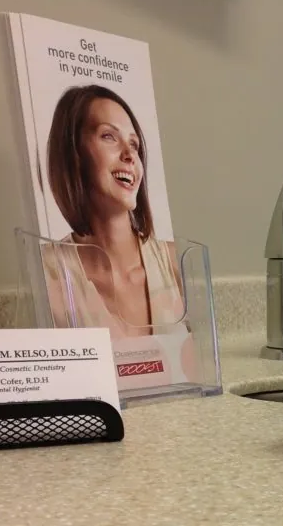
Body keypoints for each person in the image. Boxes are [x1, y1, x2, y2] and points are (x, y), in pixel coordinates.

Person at [40, 84, 184, 338]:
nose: (129, 155)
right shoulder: (46, 274)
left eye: (134, 144)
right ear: (74, 152)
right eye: (109, 136)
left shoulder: (176, 265)